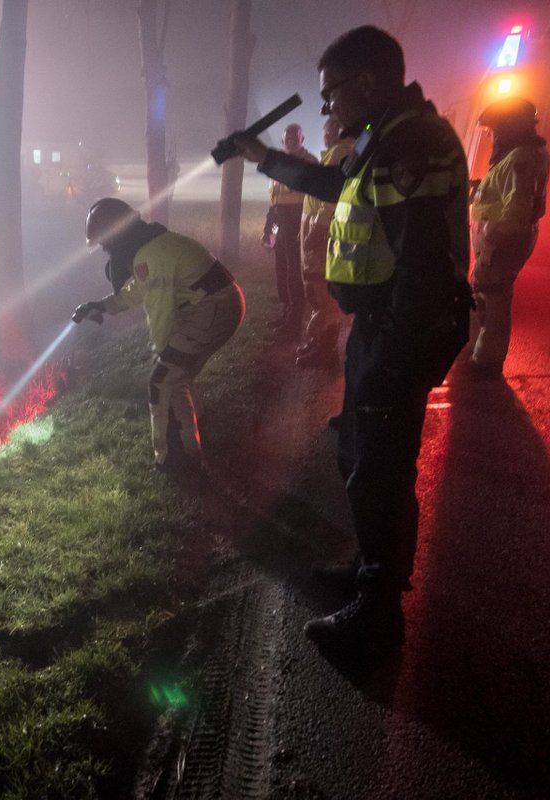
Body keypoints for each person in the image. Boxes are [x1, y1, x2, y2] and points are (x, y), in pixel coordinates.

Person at [229, 26, 472, 648]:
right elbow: (340, 185)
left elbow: (423, 266)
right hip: (381, 325)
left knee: (380, 467)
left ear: (365, 83)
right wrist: (265, 159)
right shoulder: (385, 135)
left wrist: (390, 354)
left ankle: (378, 612)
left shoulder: (411, 143)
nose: (326, 108)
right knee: (359, 455)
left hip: (400, 331)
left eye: (330, 93)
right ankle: (371, 568)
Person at [73, 197, 245, 480]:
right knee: (175, 376)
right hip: (216, 304)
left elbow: (160, 313)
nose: (104, 249)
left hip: (212, 309)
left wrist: (161, 355)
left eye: (104, 242)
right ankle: (196, 429)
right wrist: (101, 306)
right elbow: (136, 292)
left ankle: (177, 460)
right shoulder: (150, 246)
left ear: (116, 234)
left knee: (162, 381)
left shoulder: (148, 256)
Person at [467, 97, 549, 377]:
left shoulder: (521, 157)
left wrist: (496, 244)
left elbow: (518, 204)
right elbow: (507, 192)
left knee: (493, 301)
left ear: (510, 126)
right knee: (485, 296)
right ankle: (478, 353)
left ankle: (486, 362)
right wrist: (482, 188)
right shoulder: (518, 154)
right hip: (496, 241)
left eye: (495, 129)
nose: (492, 136)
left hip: (500, 241)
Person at [295, 118, 356, 368]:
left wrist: (317, 229)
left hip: (322, 235)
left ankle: (324, 350)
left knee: (321, 294)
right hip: (318, 231)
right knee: (316, 290)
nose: (325, 136)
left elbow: (330, 198)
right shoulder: (337, 153)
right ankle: (319, 343)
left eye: (327, 131)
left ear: (333, 132)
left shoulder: (339, 154)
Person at [263, 124, 318, 334]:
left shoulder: (309, 162)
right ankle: (286, 309)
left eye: (295, 139)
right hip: (280, 219)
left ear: (302, 140)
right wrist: (268, 227)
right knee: (282, 267)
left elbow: (315, 196)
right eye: (287, 139)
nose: (291, 142)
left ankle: (295, 317)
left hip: (297, 220)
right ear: (282, 141)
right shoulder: (279, 163)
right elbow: (274, 198)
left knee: (294, 269)